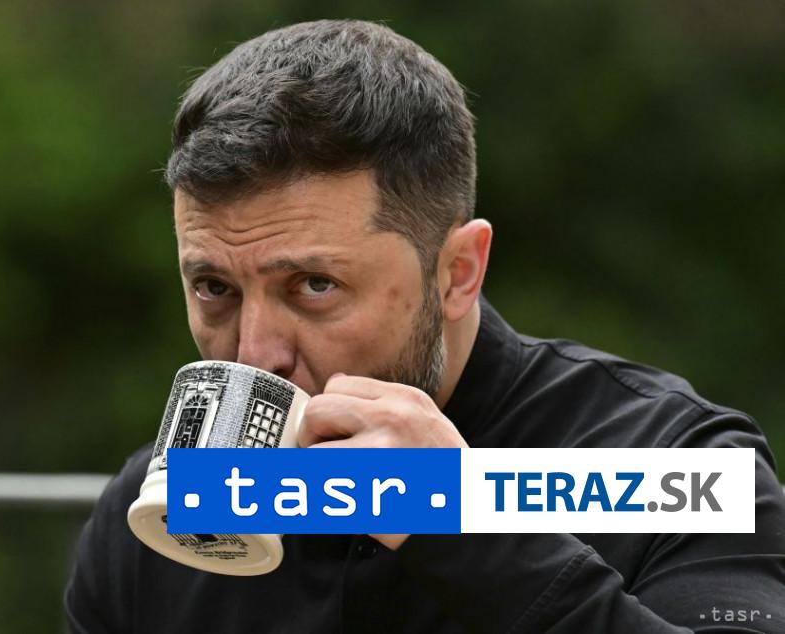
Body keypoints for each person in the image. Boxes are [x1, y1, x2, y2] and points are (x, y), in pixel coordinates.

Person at [65, 19, 785, 633]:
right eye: (215, 288)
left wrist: (459, 516)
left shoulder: (677, 466)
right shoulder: (152, 515)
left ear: (458, 272)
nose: (256, 353)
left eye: (315, 286)